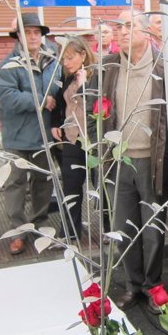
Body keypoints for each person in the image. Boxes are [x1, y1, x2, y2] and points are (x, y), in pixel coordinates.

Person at [96, 9, 168, 314]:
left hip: (153, 160)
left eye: (129, 26)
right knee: (124, 225)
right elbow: (96, 110)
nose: (122, 31)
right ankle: (133, 284)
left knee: (152, 229)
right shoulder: (108, 66)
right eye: (118, 26)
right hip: (119, 160)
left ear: (147, 32)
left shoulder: (165, 67)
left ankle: (154, 285)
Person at [0, 13, 60, 256]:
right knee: (15, 184)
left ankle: (40, 224)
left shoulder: (53, 60)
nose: (33, 36)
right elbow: (8, 98)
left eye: (37, 32)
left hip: (44, 136)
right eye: (27, 32)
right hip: (17, 136)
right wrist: (42, 101)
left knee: (43, 182)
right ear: (18, 36)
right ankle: (18, 231)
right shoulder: (7, 65)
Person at [50, 37, 97, 240]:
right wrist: (55, 122)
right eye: (63, 59)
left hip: (94, 138)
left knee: (101, 186)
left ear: (83, 55)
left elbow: (97, 103)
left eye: (70, 58)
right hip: (72, 137)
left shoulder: (98, 75)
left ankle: (109, 229)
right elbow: (60, 100)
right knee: (71, 185)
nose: (66, 63)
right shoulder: (66, 76)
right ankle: (69, 232)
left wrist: (83, 84)